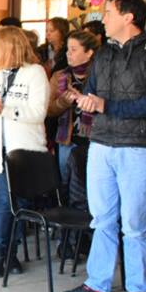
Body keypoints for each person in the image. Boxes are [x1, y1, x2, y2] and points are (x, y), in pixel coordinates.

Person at [61, 0, 146, 292]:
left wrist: (106, 105)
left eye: (109, 12)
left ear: (128, 17)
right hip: (101, 143)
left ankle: (137, 289)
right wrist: (87, 100)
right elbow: (93, 92)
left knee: (134, 222)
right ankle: (98, 282)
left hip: (138, 146)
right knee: (102, 218)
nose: (104, 17)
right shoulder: (104, 53)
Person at [0, 27, 49, 276]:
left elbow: (38, 112)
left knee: (21, 202)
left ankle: (11, 253)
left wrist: (4, 109)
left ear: (9, 48)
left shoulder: (35, 72)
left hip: (26, 150)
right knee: (5, 200)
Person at [47, 30, 100, 181]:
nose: (68, 54)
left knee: (90, 182)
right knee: (65, 181)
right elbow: (48, 110)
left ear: (89, 53)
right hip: (67, 139)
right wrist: (63, 102)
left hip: (94, 140)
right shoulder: (59, 76)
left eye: (74, 49)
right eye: (67, 49)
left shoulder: (100, 76)